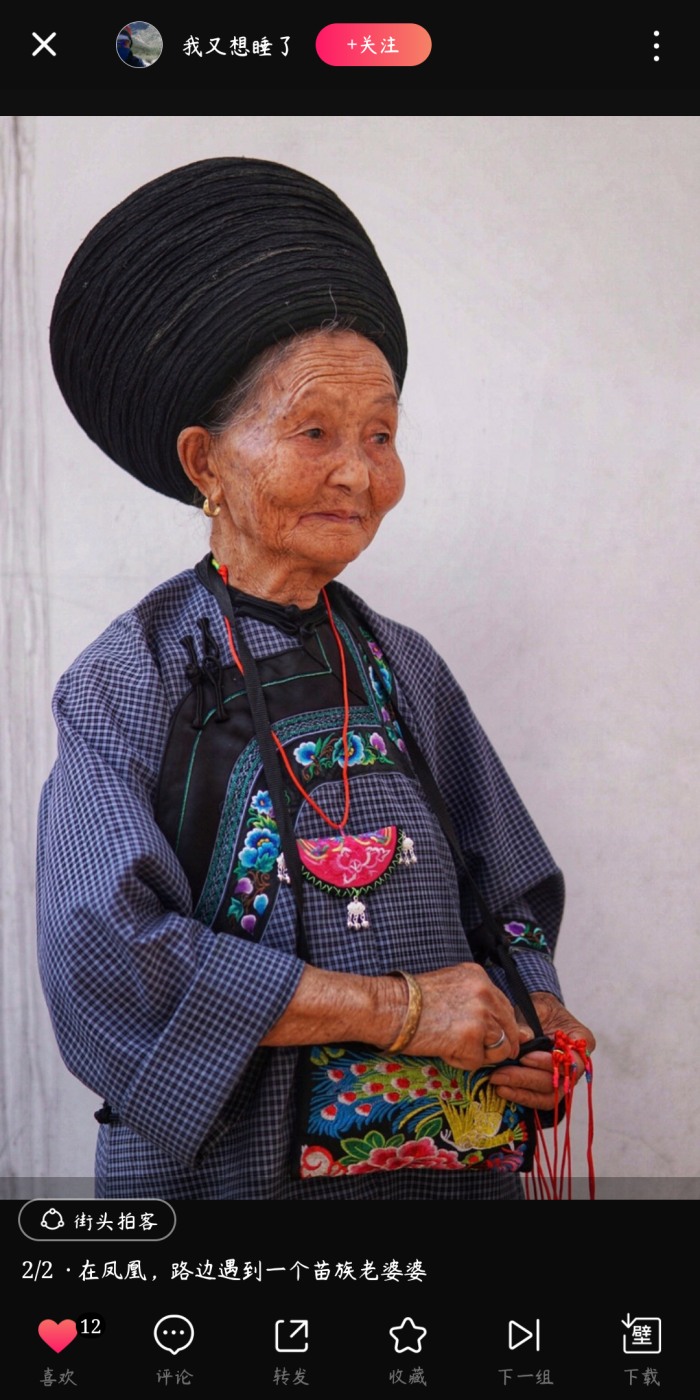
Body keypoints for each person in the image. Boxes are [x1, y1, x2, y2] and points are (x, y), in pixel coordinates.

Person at [39, 157, 594, 1199]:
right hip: (231, 1182)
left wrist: (531, 1015)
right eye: (314, 432)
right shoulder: (130, 678)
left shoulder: (405, 667)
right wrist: (398, 1009)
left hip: (445, 1172)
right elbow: (106, 955)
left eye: (380, 434)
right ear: (207, 462)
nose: (358, 470)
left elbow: (506, 890)